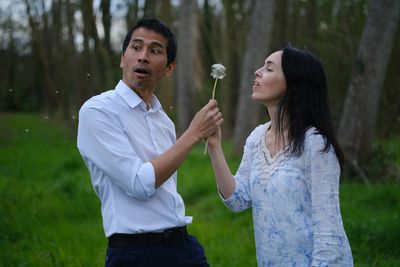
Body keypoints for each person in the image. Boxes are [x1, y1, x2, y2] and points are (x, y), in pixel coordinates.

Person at [77, 18, 223, 267]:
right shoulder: (98, 110)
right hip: (136, 253)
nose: (143, 56)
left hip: (184, 248)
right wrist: (192, 134)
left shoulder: (163, 120)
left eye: (155, 50)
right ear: (123, 58)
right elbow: (139, 183)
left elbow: (166, 189)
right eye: (136, 47)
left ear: (169, 68)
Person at [207, 45, 353, 266]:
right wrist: (215, 147)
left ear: (294, 82)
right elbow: (238, 200)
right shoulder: (257, 137)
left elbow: (329, 231)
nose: (257, 71)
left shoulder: (315, 144)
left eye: (269, 68)